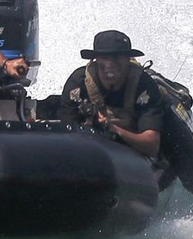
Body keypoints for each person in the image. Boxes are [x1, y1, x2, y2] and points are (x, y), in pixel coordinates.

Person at [57, 30, 163, 158]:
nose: (109, 65)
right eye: (104, 58)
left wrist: (114, 130)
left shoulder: (143, 86)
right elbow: (66, 133)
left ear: (128, 60)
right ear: (96, 60)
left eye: (117, 58)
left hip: (133, 152)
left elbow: (152, 145)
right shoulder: (78, 84)